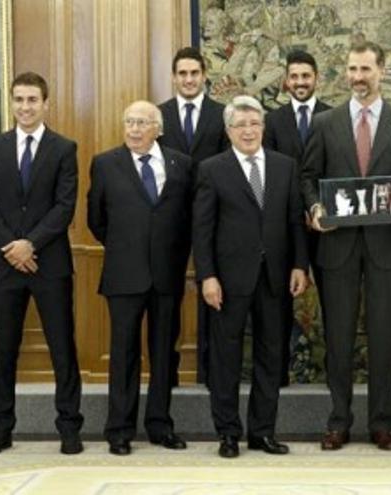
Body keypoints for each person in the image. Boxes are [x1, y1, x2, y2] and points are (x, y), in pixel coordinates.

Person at [301, 41, 391, 451]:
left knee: (385, 337)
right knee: (338, 338)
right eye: (352, 69)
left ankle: (382, 423)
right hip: (338, 249)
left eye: (365, 69)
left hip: (385, 248)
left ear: (381, 71)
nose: (358, 77)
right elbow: (308, 177)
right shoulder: (325, 123)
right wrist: (315, 206)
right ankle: (338, 421)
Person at [0, 72, 83, 456]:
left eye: (32, 100)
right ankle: (0, 428)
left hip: (49, 264)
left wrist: (30, 244)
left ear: (45, 103)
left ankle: (69, 428)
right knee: (3, 348)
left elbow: (65, 206)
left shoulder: (64, 148)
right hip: (5, 266)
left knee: (62, 349)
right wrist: (11, 246)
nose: (25, 107)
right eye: (19, 99)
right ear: (12, 103)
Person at [194, 96, 308, 458]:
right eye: (240, 125)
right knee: (225, 358)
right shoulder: (212, 169)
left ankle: (262, 431)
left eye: (254, 124)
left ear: (263, 127)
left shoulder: (284, 166)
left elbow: (295, 222)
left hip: (275, 277)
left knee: (271, 357)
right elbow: (203, 229)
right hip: (227, 281)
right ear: (228, 131)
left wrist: (299, 265)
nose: (248, 131)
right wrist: (207, 276)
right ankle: (228, 433)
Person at [87, 101, 193, 456]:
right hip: (123, 276)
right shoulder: (105, 164)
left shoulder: (181, 165)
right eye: (128, 121)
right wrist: (127, 248)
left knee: (164, 354)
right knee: (124, 355)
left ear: (157, 129)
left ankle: (160, 426)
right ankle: (119, 430)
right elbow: (96, 220)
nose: (133, 129)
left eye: (141, 123)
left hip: (167, 276)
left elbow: (187, 220)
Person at [157, 46, 230, 387]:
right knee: (166, 300)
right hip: (168, 222)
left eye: (194, 73)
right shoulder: (159, 116)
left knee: (213, 294)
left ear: (204, 76)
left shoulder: (222, 115)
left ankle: (211, 373)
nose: (188, 79)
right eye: (182, 74)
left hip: (213, 221)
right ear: (174, 77)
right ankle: (167, 375)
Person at [263, 49, 331, 386]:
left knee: (335, 303)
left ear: (316, 78)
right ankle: (278, 376)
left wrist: (317, 208)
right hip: (286, 228)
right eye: (294, 77)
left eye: (306, 76)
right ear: (286, 81)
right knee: (278, 304)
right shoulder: (272, 122)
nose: (300, 82)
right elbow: (272, 175)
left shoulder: (333, 116)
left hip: (328, 228)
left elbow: (335, 171)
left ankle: (337, 373)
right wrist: (298, 211)